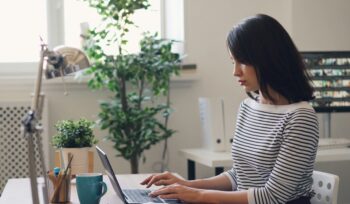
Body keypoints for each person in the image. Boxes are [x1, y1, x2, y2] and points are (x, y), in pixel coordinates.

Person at [141, 14, 319, 204]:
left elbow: (273, 196)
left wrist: (198, 195)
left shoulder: (300, 117)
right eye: (232, 62)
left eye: (242, 61)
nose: (235, 72)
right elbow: (239, 176)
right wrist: (188, 185)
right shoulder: (248, 107)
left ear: (269, 59)